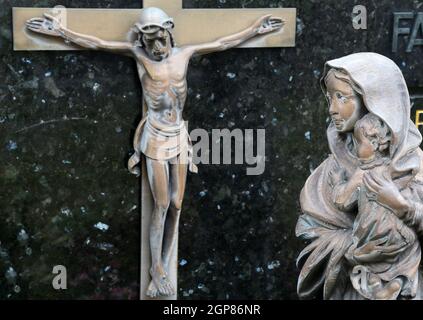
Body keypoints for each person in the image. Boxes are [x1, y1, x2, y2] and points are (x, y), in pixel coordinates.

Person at [26, 7, 283, 297]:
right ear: (142, 41)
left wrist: (254, 31)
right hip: (156, 138)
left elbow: (223, 42)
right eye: (150, 43)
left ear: (168, 32)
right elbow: (98, 43)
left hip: (179, 135)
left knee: (176, 204)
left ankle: (163, 262)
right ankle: (156, 270)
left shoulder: (185, 54)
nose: (157, 47)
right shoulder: (138, 56)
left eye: (160, 39)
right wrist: (62, 32)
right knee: (161, 204)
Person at [296, 52, 423, 300]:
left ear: (374, 99)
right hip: (351, 286)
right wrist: (355, 248)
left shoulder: (414, 164)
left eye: (342, 97)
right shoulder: (333, 168)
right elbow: (311, 229)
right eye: (329, 98)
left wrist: (402, 206)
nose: (332, 108)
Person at [331, 113, 418, 300]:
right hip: (401, 235)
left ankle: (375, 283)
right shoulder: (393, 168)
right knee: (413, 251)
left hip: (371, 235)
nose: (355, 150)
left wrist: (338, 183)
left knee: (358, 256)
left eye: (358, 143)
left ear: (375, 144)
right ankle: (398, 282)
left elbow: (342, 201)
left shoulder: (362, 172)